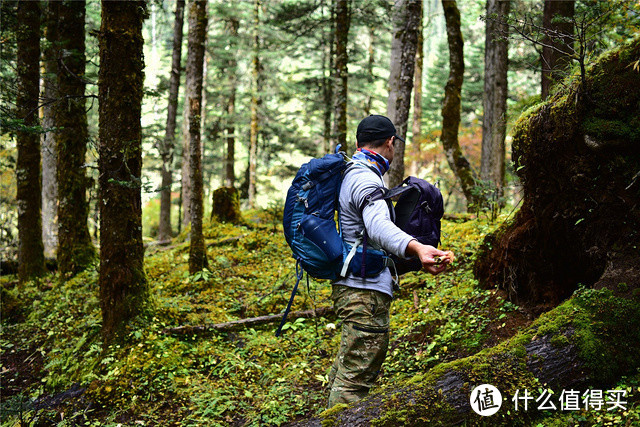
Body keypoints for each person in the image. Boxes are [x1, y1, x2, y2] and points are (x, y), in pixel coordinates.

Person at [327, 115, 451, 408]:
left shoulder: (355, 172)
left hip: (356, 286)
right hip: (363, 292)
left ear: (359, 143)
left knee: (346, 372)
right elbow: (377, 226)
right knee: (353, 382)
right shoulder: (364, 178)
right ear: (391, 142)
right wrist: (417, 247)